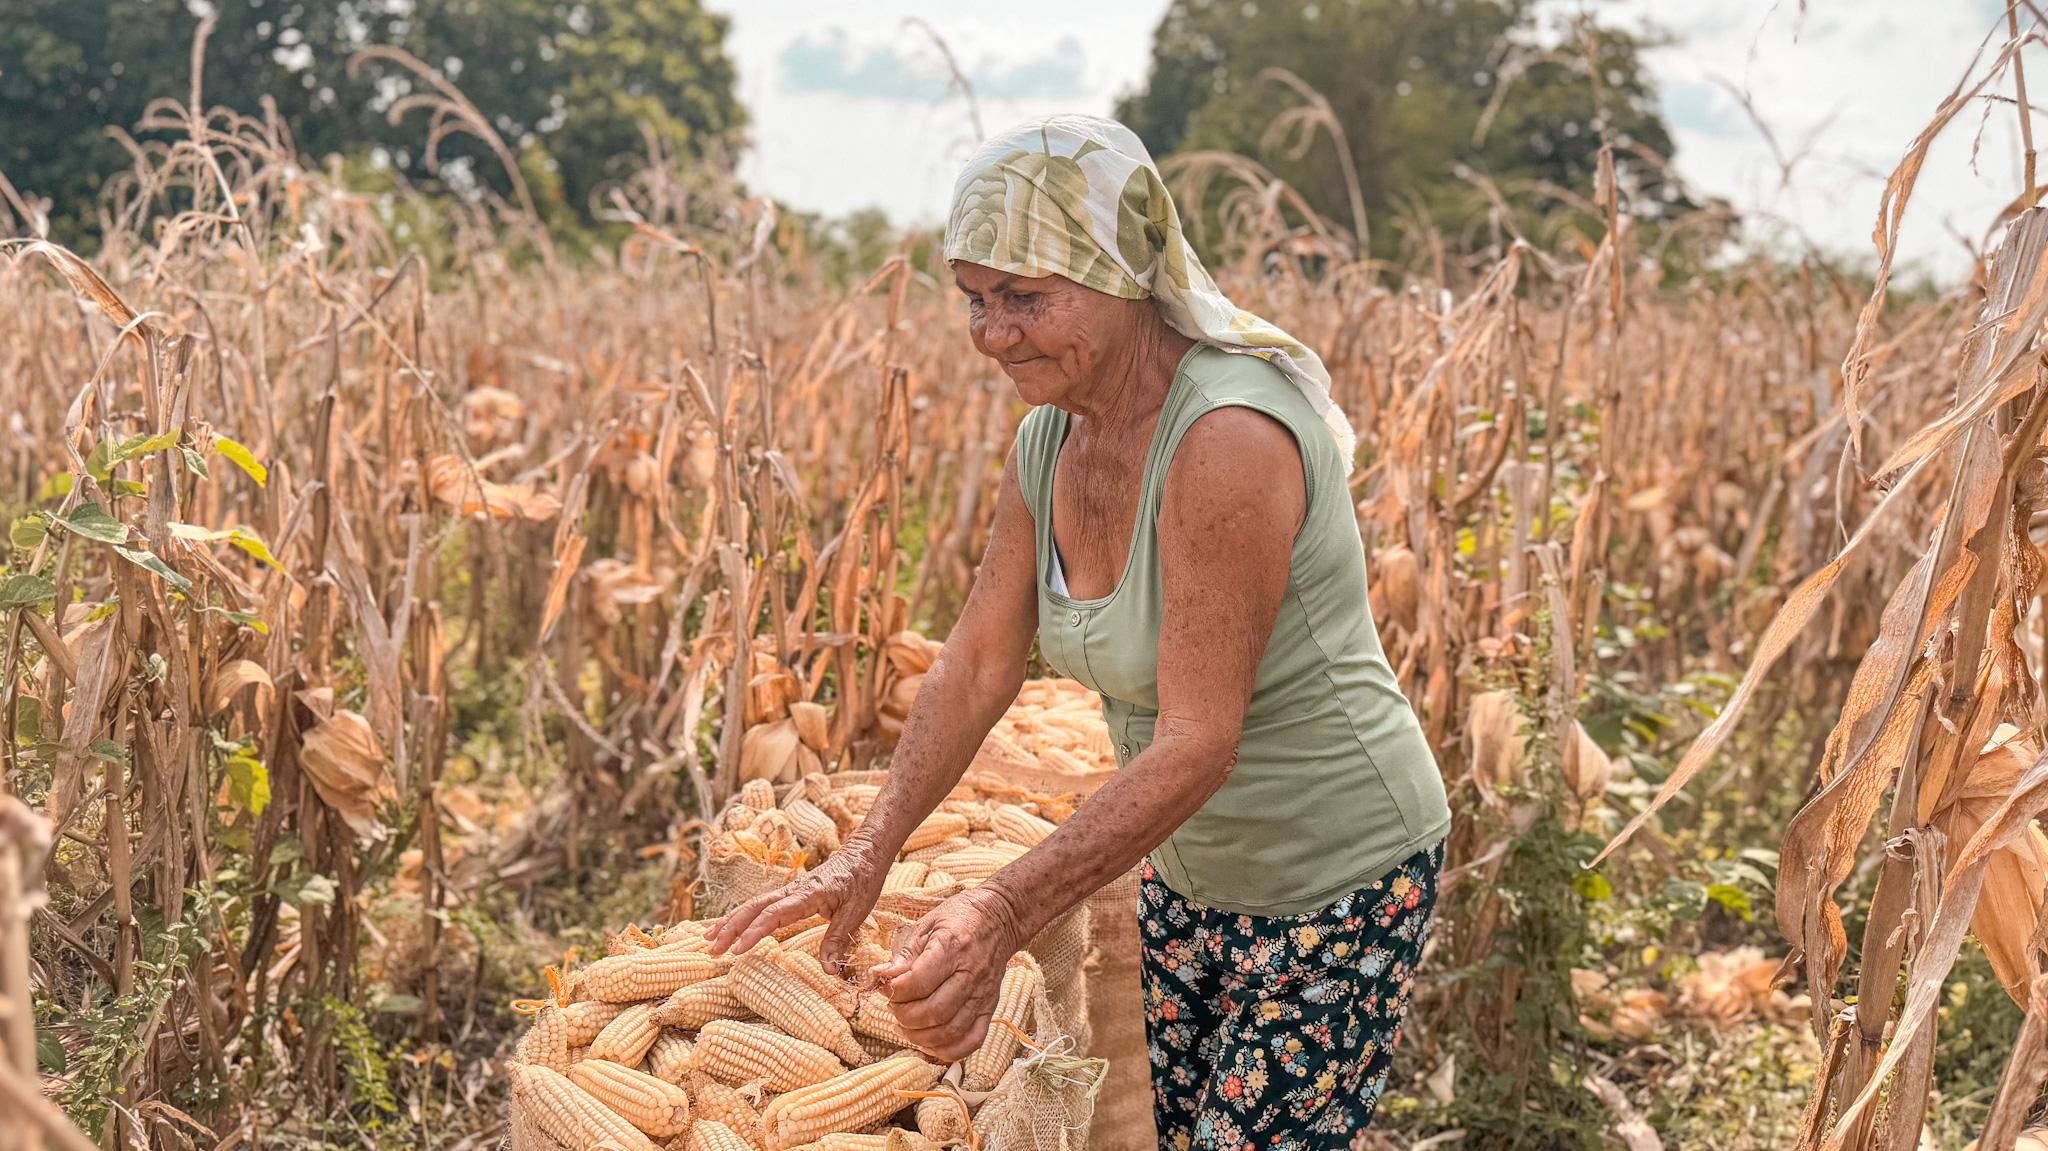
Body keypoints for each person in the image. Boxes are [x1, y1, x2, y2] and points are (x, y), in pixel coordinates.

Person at [710, 114, 1451, 1148]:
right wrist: (863, 856)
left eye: (1024, 297)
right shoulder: (1048, 438)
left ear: (1123, 275)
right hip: (1191, 867)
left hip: (1334, 870)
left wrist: (1001, 911)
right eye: (973, 299)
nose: (990, 332)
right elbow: (974, 663)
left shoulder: (1226, 438)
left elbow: (1199, 734)